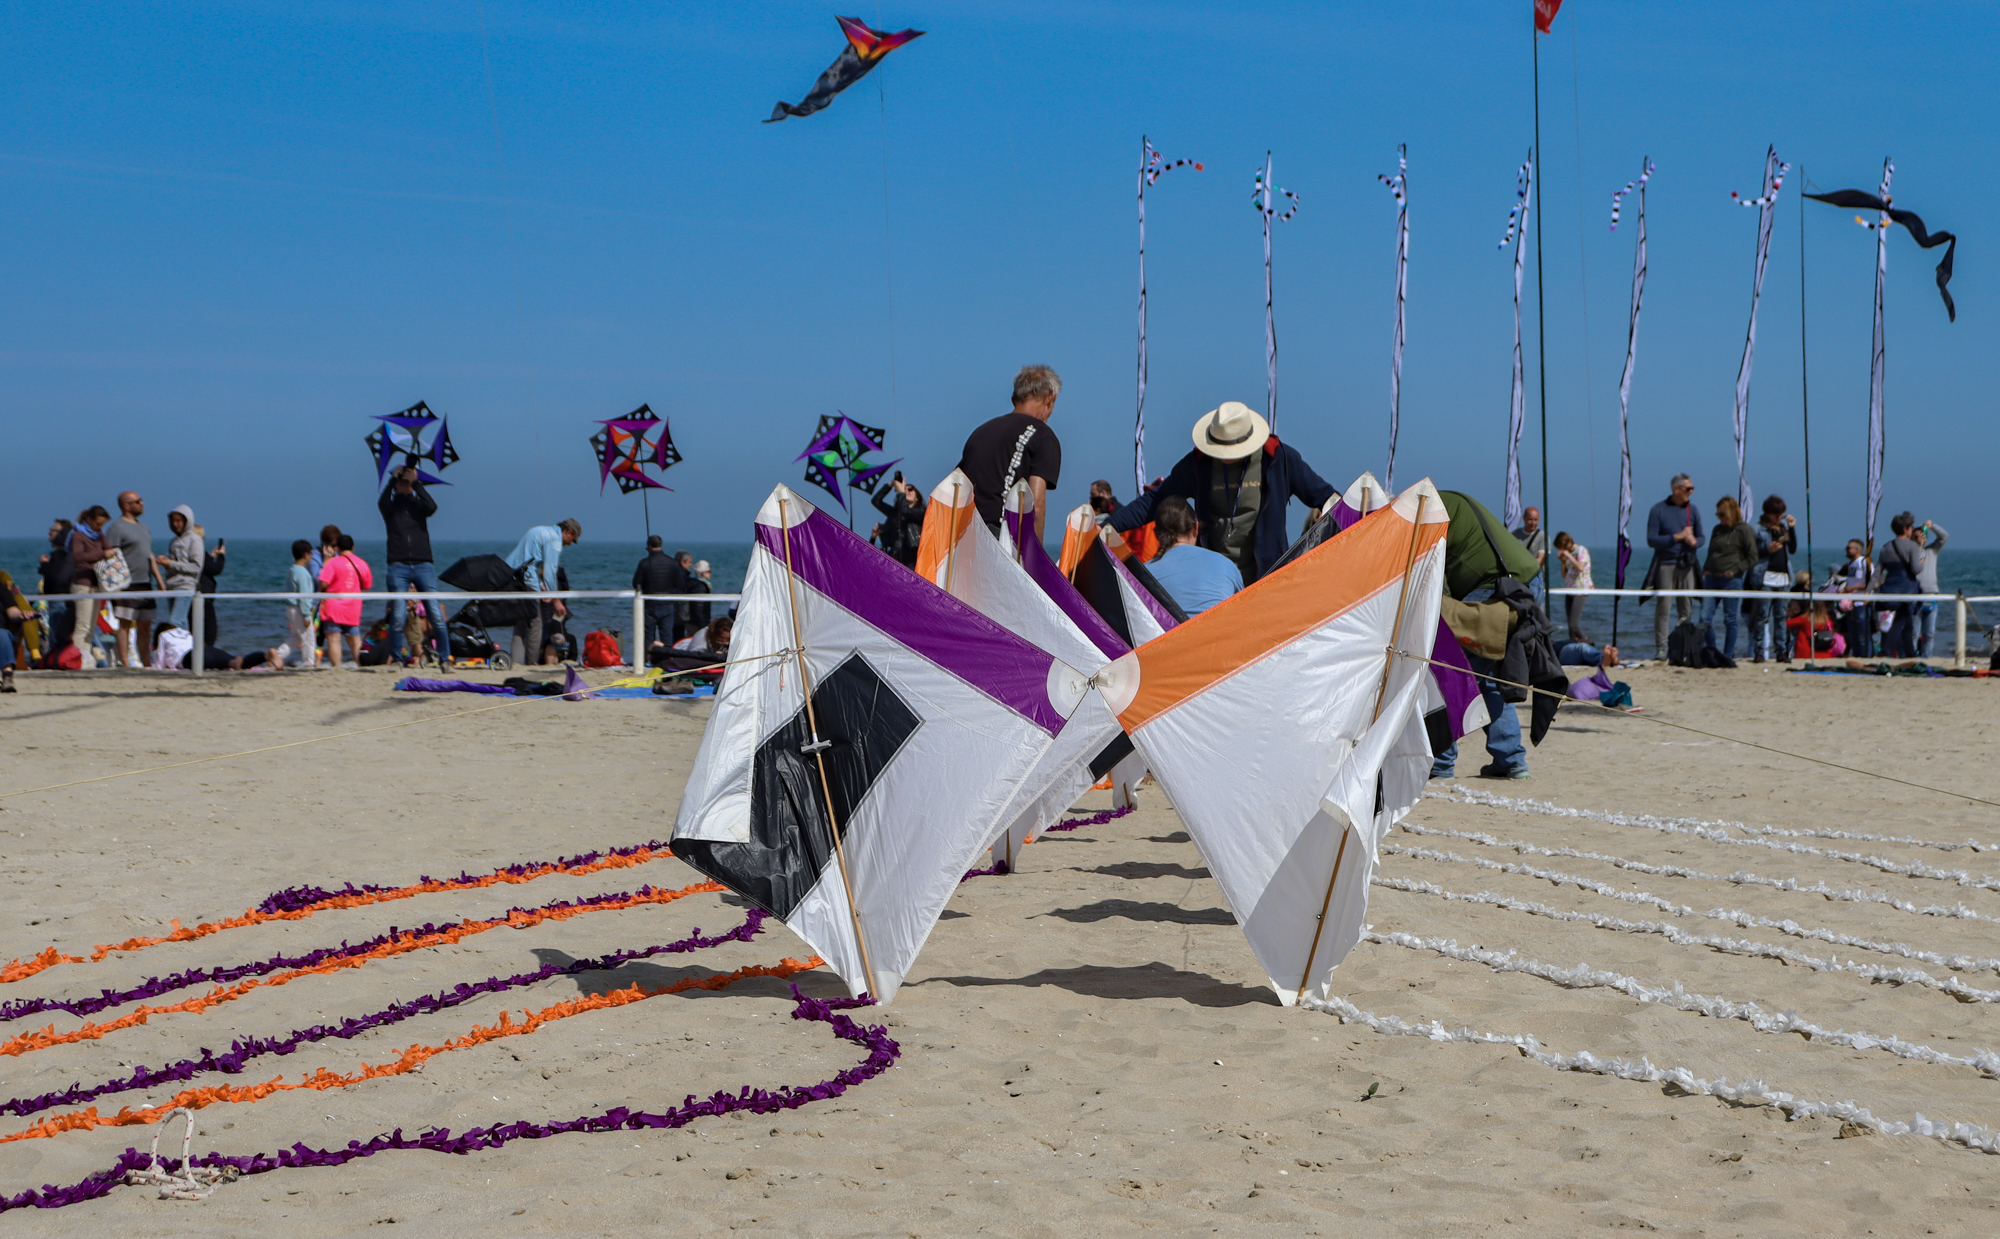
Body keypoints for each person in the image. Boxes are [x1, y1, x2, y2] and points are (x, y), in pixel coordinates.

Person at [1108, 401, 1335, 586]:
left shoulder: (1279, 459)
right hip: (1215, 582)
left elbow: (1326, 498)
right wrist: (1110, 526)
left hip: (1268, 581)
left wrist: (1349, 521)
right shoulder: (1198, 463)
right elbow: (1156, 500)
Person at [1431, 489, 1547, 782]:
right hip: (1529, 581)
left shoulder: (1424, 513)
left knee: (1452, 671)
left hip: (1495, 590)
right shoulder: (1449, 501)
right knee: (1488, 677)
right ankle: (1511, 761)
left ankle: (1442, 764)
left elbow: (1435, 589)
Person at [958, 365, 1064, 539]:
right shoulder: (1043, 435)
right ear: (1050, 399)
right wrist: (1034, 552)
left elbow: (959, 485)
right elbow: (1036, 504)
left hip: (964, 534)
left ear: (1014, 400)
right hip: (1002, 537)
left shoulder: (981, 432)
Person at [379, 462, 448, 667]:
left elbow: (432, 507)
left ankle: (445, 658)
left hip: (423, 564)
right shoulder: (390, 507)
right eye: (402, 481)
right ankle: (396, 658)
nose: (404, 484)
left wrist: (416, 483)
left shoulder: (419, 505)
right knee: (398, 615)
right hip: (398, 564)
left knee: (435, 614)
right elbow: (382, 502)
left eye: (406, 481)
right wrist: (393, 479)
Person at [1141, 496, 1242, 616]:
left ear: (1156, 534)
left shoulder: (1140, 574)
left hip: (1169, 629)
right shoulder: (1226, 564)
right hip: (1219, 627)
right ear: (1196, 528)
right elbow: (1244, 611)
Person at [503, 518, 580, 667]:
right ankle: (531, 663)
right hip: (527, 582)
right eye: (572, 539)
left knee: (520, 624)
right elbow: (550, 572)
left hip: (513, 578)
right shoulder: (554, 540)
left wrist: (543, 589)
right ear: (569, 532)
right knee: (535, 624)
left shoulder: (537, 530)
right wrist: (556, 600)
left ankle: (516, 663)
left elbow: (528, 560)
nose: (570, 543)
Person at [1644, 474, 1704, 659]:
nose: (1691, 492)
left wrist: (1695, 542)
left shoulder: (1693, 510)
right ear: (1676, 489)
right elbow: (1652, 539)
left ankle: (1683, 646)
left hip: (1687, 564)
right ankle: (1662, 648)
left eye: (1692, 488)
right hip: (1665, 564)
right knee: (1664, 608)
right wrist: (1677, 537)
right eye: (1688, 489)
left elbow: (1702, 536)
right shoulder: (1658, 510)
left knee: (1686, 608)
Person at [102, 490, 161, 667]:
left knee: (145, 624)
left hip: (145, 583)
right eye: (137, 501)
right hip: (127, 584)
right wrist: (115, 587)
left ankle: (146, 662)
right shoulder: (117, 528)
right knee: (125, 624)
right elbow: (110, 556)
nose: (142, 504)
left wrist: (159, 580)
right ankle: (125, 663)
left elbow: (149, 555)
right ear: (126, 505)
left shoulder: (144, 527)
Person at [1700, 496, 1756, 660]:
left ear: (1731, 513)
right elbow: (1712, 551)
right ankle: (1711, 651)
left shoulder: (1744, 530)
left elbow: (1752, 556)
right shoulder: (1717, 530)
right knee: (1704, 618)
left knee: (1730, 618)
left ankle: (1728, 654)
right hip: (1712, 578)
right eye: (1718, 514)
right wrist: (1706, 569)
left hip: (1731, 580)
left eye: (1722, 514)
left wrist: (1735, 570)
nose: (1720, 518)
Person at [1749, 497, 1797, 663]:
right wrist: (1766, 550)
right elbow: (1751, 553)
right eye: (1776, 514)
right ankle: (1759, 651)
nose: (1779, 517)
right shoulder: (1757, 529)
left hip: (1783, 577)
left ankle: (1781, 651)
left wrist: (1792, 528)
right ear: (1767, 513)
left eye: (1781, 514)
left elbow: (1793, 548)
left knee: (1781, 616)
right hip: (1765, 577)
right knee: (1762, 616)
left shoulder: (1783, 529)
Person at [317, 533, 374, 669]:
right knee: (354, 640)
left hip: (333, 606)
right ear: (353, 547)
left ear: (337, 548)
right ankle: (361, 665)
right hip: (353, 606)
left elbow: (323, 583)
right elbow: (367, 585)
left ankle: (337, 667)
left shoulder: (333, 562)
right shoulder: (361, 563)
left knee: (333, 639)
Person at [66, 506, 112, 666]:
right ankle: (77, 658)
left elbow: (108, 549)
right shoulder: (78, 535)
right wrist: (101, 554)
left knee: (91, 627)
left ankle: (85, 659)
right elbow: (78, 556)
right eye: (98, 524)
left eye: (102, 524)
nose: (100, 527)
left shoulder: (99, 535)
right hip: (82, 584)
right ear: (89, 520)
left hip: (96, 583)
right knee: (83, 626)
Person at [1877, 512, 1924, 659]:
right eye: (1911, 527)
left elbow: (1878, 570)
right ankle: (1885, 650)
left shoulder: (1886, 547)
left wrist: (1868, 590)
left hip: (1889, 588)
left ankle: (1910, 653)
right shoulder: (1912, 546)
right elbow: (1916, 569)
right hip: (1906, 589)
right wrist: (1921, 560)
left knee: (1907, 624)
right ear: (1905, 529)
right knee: (1900, 620)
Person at [632, 535, 686, 659]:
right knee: (667, 635)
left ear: (649, 546)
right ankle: (667, 658)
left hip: (649, 603)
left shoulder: (644, 563)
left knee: (648, 635)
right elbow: (679, 584)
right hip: (667, 603)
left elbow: (636, 583)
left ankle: (647, 660)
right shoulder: (672, 563)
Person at [155, 505, 204, 630]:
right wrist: (165, 563)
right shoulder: (173, 542)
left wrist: (170, 563)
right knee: (181, 622)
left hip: (185, 586)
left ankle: (185, 641)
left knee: (175, 620)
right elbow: (175, 565)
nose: (175, 524)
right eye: (173, 521)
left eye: (178, 521)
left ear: (187, 521)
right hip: (172, 586)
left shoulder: (195, 540)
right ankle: (186, 642)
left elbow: (196, 567)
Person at [869, 475, 926, 567]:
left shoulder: (922, 512)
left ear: (917, 497)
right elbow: (876, 501)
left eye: (910, 489)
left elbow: (906, 511)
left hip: (912, 560)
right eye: (905, 489)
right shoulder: (895, 514)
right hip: (894, 559)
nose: (906, 491)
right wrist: (890, 484)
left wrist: (901, 492)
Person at [38, 518, 74, 661]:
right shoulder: (62, 555)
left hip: (59, 599)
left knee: (57, 635)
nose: (49, 532)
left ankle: (57, 659)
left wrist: (45, 565)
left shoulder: (61, 556)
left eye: (53, 530)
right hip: (59, 599)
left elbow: (56, 577)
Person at [1912, 519, 1949, 658]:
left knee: (1929, 633)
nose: (1919, 538)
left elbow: (1944, 536)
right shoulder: (1910, 553)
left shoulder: (1931, 551)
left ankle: (1926, 657)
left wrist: (1932, 526)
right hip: (1915, 596)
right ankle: (1912, 657)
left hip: (1931, 594)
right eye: (1916, 536)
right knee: (1914, 632)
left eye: (1922, 536)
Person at [284, 539, 318, 669]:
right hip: (299, 609)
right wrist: (306, 614)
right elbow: (304, 596)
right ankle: (309, 663)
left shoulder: (292, 570)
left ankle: (278, 655)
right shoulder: (302, 573)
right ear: (306, 555)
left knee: (297, 637)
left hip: (291, 608)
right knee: (308, 638)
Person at [1552, 531, 1591, 642]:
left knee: (1574, 623)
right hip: (1570, 589)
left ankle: (1587, 641)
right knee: (1570, 625)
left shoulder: (1581, 551)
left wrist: (1569, 555)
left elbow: (1580, 567)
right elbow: (1565, 575)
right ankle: (1574, 643)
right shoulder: (1569, 555)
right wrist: (1563, 562)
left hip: (1581, 589)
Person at [1511, 506, 1547, 601]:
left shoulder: (1542, 536)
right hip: (1519, 579)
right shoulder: (1515, 534)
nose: (1533, 523)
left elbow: (1541, 559)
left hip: (1535, 580)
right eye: (1530, 519)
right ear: (1524, 519)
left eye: (1535, 520)